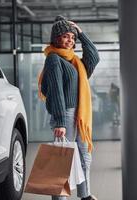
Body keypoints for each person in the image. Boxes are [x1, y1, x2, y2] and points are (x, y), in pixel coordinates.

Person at [38, 15, 99, 200]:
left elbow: (94, 57)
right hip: (65, 114)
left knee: (83, 156)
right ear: (56, 38)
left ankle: (85, 194)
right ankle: (60, 198)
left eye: (72, 38)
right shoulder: (54, 60)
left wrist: (80, 33)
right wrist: (60, 121)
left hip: (80, 115)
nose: (70, 40)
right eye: (66, 36)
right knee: (61, 159)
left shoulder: (75, 63)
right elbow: (55, 91)